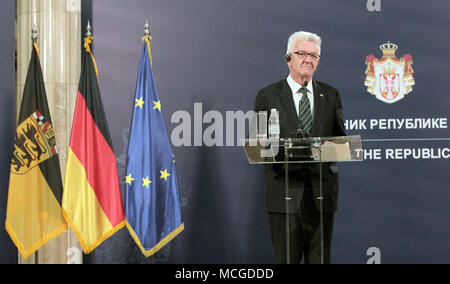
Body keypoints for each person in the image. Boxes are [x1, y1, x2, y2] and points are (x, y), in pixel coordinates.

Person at [253, 31, 346, 264]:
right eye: (302, 53)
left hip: (321, 194)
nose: (308, 59)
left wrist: (331, 146)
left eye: (314, 55)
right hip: (284, 193)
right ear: (288, 58)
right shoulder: (268, 95)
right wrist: (278, 149)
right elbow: (255, 143)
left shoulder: (331, 94)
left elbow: (342, 143)